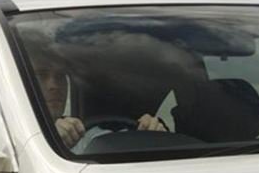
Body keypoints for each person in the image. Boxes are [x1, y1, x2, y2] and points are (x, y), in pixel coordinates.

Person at [34, 58, 166, 150]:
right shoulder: (21, 143)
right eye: (41, 75)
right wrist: (51, 145)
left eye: (60, 76)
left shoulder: (85, 135)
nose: (54, 86)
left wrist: (156, 138)